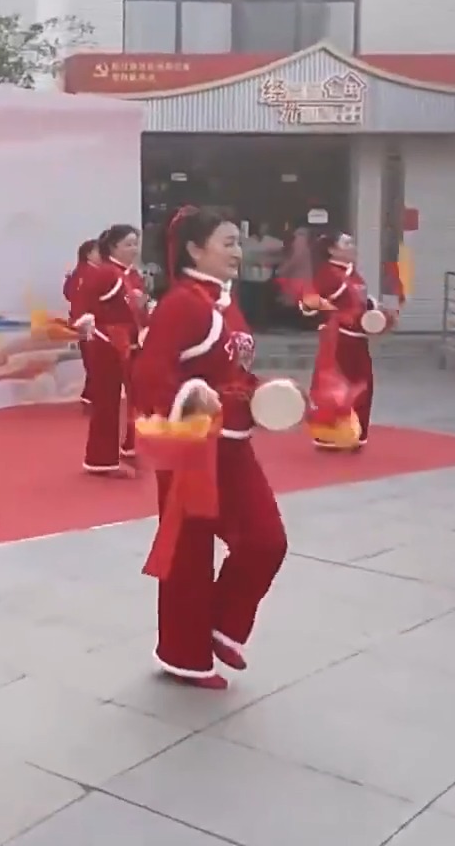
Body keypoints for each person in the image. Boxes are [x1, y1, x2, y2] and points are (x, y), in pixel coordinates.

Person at [130, 206, 292, 689]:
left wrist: (266, 393)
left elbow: (233, 373)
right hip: (194, 449)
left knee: (266, 540)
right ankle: (185, 656)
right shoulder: (183, 304)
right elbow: (148, 374)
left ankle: (221, 626)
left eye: (238, 242)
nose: (238, 251)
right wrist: (192, 396)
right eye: (228, 242)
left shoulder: (225, 302)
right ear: (195, 250)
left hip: (233, 445)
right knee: (189, 554)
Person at [68, 224, 148, 474]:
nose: (134, 249)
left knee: (139, 397)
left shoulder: (130, 274)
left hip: (131, 342)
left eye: (136, 243)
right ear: (113, 247)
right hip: (107, 343)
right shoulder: (104, 273)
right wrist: (86, 323)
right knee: (107, 403)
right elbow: (82, 303)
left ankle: (132, 445)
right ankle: (101, 460)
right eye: (128, 244)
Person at [301, 229, 380, 449]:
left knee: (362, 386)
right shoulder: (327, 274)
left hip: (357, 338)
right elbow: (310, 302)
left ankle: (355, 433)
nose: (353, 247)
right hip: (338, 338)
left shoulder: (353, 274)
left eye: (352, 243)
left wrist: (375, 311)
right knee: (335, 386)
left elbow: (362, 302)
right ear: (332, 250)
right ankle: (331, 434)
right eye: (347, 244)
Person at [63, 239, 101, 411]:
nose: (102, 255)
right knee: (96, 363)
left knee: (93, 363)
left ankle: (90, 397)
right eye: (98, 251)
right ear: (88, 254)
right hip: (92, 325)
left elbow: (67, 294)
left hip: (83, 324)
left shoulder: (77, 274)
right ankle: (91, 397)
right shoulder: (92, 274)